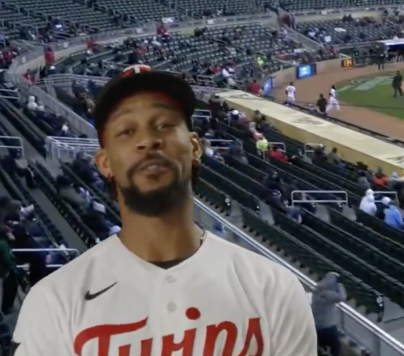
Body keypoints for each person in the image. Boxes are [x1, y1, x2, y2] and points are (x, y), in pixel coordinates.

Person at [12, 64, 317, 355]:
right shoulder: (52, 303)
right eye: (126, 131)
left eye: (164, 125)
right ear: (105, 163)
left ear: (195, 147)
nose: (148, 140)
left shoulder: (275, 289)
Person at [311, 273, 344, 356]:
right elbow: (342, 297)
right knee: (336, 348)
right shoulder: (329, 295)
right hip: (328, 327)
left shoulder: (316, 291)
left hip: (317, 326)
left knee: (320, 348)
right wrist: (340, 285)